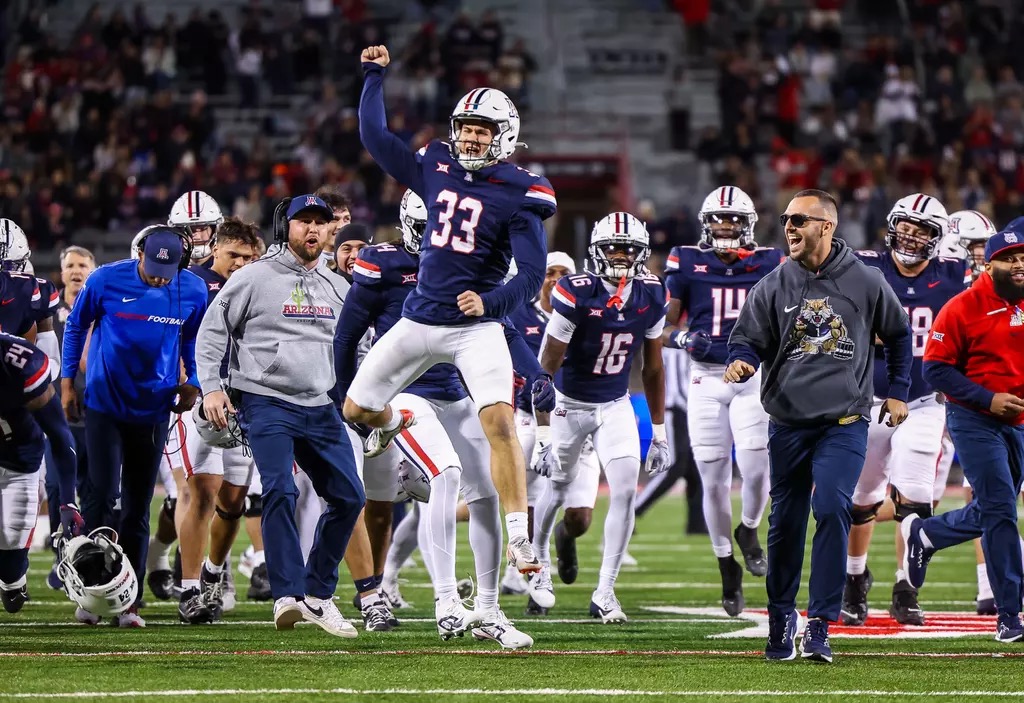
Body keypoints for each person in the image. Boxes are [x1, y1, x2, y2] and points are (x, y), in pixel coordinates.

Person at [344, 45, 557, 574]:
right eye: (465, 126)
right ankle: (397, 420)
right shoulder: (437, 163)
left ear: (503, 134)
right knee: (357, 411)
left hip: (476, 327)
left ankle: (520, 538)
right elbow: (376, 139)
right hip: (420, 320)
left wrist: (489, 300)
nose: (470, 137)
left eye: (482, 129)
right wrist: (374, 77)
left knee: (500, 424)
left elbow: (530, 277)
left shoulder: (520, 191)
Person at [336, 189, 549, 645]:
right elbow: (347, 332)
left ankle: (489, 611)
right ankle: (447, 599)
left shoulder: (468, 268)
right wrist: (346, 399)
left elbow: (504, 330)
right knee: (445, 476)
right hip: (407, 396)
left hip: (455, 394)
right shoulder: (386, 265)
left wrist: (536, 374)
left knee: (487, 493)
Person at [725, 189, 913, 663]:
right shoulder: (773, 284)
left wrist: (898, 389)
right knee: (785, 525)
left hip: (844, 423)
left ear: (827, 226)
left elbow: (899, 334)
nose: (788, 227)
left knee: (831, 507)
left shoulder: (866, 281)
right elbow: (745, 338)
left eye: (799, 220)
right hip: (787, 423)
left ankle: (821, 624)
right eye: (786, 219)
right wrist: (742, 361)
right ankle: (782, 615)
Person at [196, 194, 365, 638]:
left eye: (320, 223)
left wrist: (367, 398)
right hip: (265, 398)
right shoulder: (252, 277)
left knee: (350, 497)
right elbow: (212, 331)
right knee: (280, 489)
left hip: (321, 403)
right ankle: (286, 596)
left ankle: (317, 595)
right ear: (284, 228)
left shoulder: (339, 286)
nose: (312, 230)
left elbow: (357, 348)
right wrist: (212, 388)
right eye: (303, 222)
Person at [60, 225, 208, 627]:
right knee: (101, 496)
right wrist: (67, 381)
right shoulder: (106, 279)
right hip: (105, 404)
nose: (161, 276)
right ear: (139, 253)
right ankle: (91, 595)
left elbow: (195, 340)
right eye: (155, 266)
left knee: (139, 505)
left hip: (154, 408)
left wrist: (193, 379)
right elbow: (75, 327)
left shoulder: (193, 290)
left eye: (170, 268)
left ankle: (130, 602)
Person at [529, 212, 669, 624]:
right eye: (613, 248)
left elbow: (654, 368)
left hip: (615, 404)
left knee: (625, 489)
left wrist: (658, 433)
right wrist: (542, 433)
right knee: (555, 491)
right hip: (569, 405)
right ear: (596, 251)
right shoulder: (576, 291)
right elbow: (545, 368)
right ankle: (537, 567)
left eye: (629, 249)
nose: (621, 256)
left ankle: (605, 591)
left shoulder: (651, 294)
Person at [841, 194, 967, 628]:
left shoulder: (956, 275)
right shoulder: (863, 267)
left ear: (938, 238)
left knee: (915, 499)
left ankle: (905, 588)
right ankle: (854, 580)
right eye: (905, 226)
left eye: (922, 230)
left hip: (924, 403)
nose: (911, 237)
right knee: (861, 499)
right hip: (868, 399)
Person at [663, 185, 783, 616]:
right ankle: (725, 565)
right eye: (718, 219)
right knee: (712, 479)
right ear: (705, 224)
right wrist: (681, 337)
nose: (725, 226)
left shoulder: (771, 262)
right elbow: (662, 326)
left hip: (753, 378)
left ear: (749, 225)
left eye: (733, 219)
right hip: (705, 379)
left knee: (756, 466)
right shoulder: (686, 260)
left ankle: (749, 529)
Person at [902, 225, 1024, 643]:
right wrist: (987, 399)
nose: (1019, 263)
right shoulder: (962, 307)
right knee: (1002, 511)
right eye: (1009, 258)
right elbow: (933, 369)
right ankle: (1010, 613)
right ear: (988, 265)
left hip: (1018, 420)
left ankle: (927, 533)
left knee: (996, 506)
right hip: (974, 417)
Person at [174, 217, 262, 623]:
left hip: (244, 402)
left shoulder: (263, 284)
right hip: (200, 400)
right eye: (233, 256)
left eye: (249, 257)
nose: (241, 264)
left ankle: (213, 572)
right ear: (215, 250)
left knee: (234, 502)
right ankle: (190, 589)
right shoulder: (192, 284)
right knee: (203, 494)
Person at [503, 251, 575, 599]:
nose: (556, 278)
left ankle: (525, 562)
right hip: (527, 415)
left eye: (564, 272)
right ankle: (522, 567)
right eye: (550, 271)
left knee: (564, 502)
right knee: (518, 496)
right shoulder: (520, 313)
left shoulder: (583, 313)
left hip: (573, 414)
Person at [940, 208, 1000, 614]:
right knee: (982, 490)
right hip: (955, 401)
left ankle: (989, 586)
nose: (985, 258)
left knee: (986, 490)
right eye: (976, 249)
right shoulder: (940, 291)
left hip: (994, 398)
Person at [0, 333, 82, 614]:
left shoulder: (19, 362)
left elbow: (59, 435)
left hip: (18, 461)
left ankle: (13, 581)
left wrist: (68, 500)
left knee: (10, 560)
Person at [43, 246, 96, 587]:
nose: (77, 271)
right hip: (55, 415)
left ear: (94, 270)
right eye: (70, 266)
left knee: (96, 489)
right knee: (55, 485)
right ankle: (62, 554)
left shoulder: (102, 306)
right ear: (61, 273)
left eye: (83, 265)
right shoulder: (45, 310)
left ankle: (91, 558)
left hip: (96, 413)